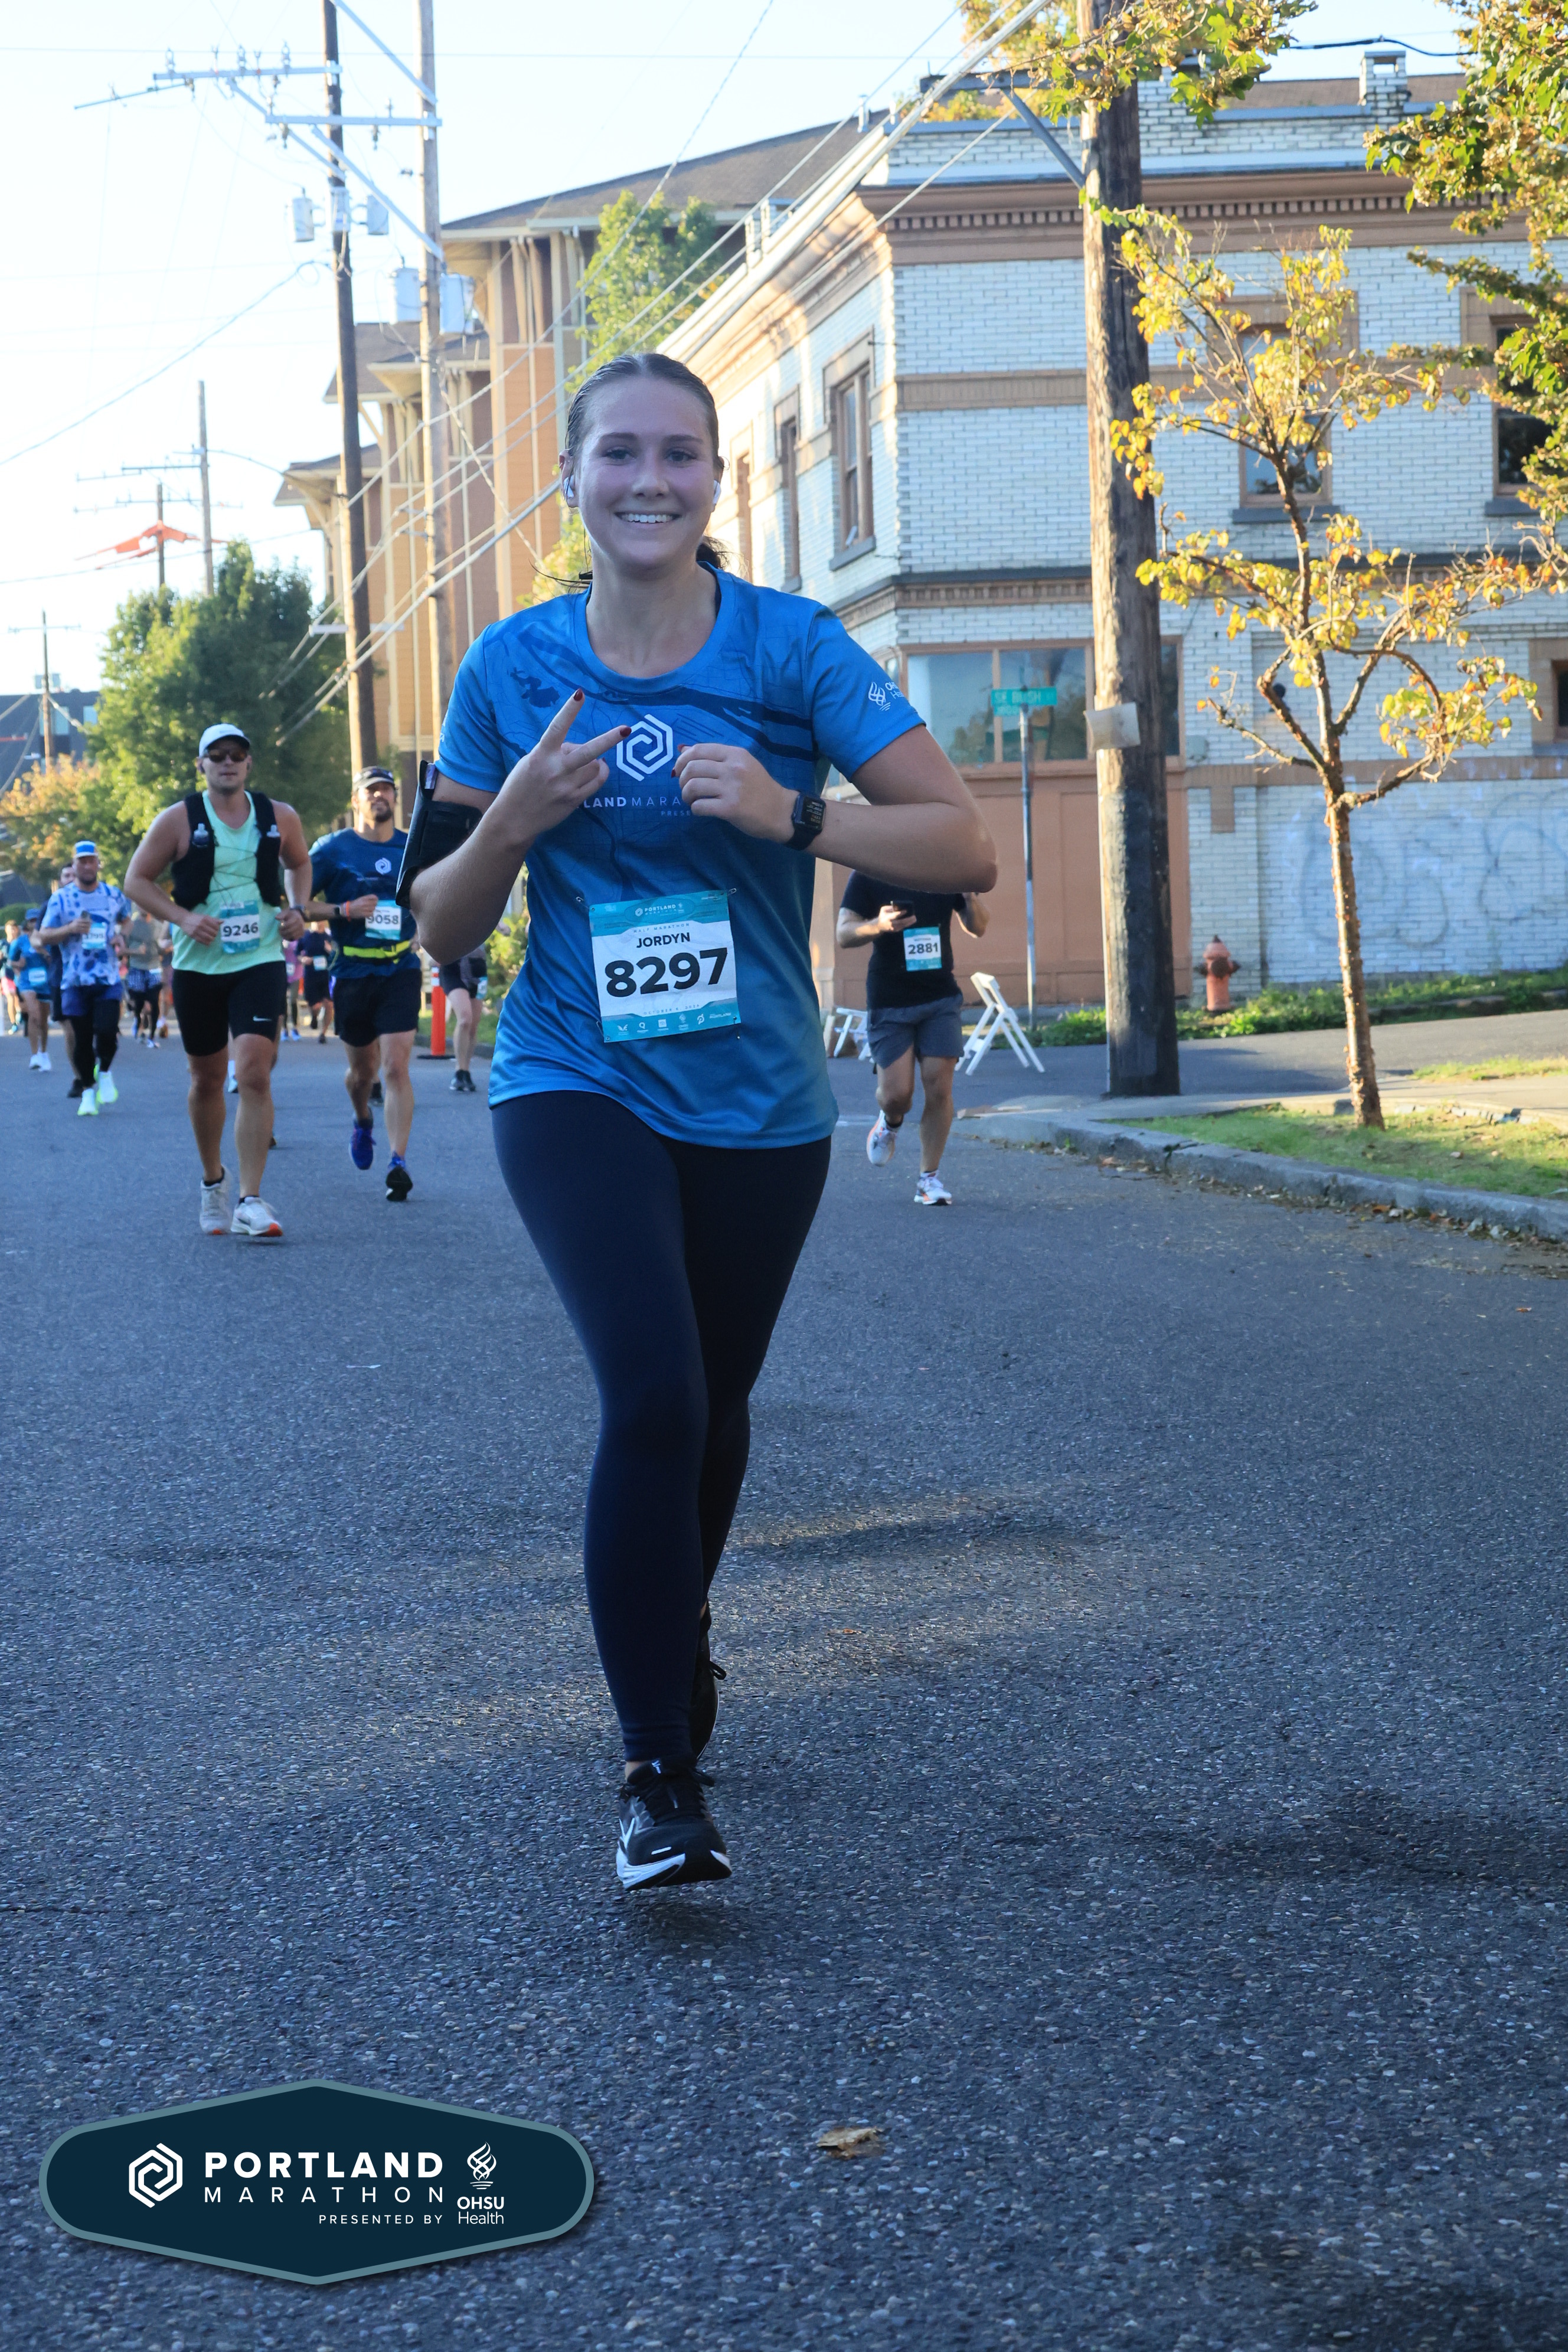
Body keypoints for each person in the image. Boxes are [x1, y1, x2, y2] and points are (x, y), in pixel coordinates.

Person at [409, 349, 995, 1890]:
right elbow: (440, 926)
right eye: (618, 453)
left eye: (678, 453)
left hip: (759, 1099)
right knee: (656, 1395)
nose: (648, 480)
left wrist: (799, 816)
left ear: (714, 479)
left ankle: (671, 1625)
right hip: (574, 1078)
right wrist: (512, 821)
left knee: (715, 1409)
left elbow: (963, 845)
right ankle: (655, 1774)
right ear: (573, 479)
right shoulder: (511, 669)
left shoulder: (793, 648)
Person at [125, 722, 311, 1239]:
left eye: (237, 754)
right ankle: (214, 1181)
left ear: (249, 763)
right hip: (198, 965)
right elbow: (136, 880)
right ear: (201, 765)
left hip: (260, 958)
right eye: (217, 755)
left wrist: (297, 908)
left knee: (253, 1072)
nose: (228, 762)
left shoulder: (279, 816)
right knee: (206, 1079)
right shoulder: (178, 820)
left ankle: (250, 1199)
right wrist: (182, 918)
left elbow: (299, 863)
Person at [305, 765, 422, 1202]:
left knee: (395, 1067)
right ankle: (362, 1120)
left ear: (395, 798)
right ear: (356, 801)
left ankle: (398, 1161)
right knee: (362, 1073)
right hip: (352, 969)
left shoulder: (412, 846)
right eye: (370, 791)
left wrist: (426, 930)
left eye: (386, 790)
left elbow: (434, 896)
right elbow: (299, 904)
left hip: (400, 967)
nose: (379, 796)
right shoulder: (333, 850)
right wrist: (344, 911)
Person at [837, 873, 989, 1206]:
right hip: (890, 1000)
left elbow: (978, 927)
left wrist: (969, 898)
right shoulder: (869, 871)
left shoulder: (944, 868)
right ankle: (889, 1122)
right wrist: (878, 925)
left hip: (940, 997)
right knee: (897, 1097)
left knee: (939, 1086)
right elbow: (843, 933)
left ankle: (928, 1179)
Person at [38, 842, 132, 1115]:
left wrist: (121, 936)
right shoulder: (61, 899)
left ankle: (105, 1072)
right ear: (74, 864)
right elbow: (44, 935)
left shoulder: (113, 895)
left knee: (107, 1031)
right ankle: (89, 1092)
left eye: (92, 860)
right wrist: (69, 928)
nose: (88, 866)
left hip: (107, 978)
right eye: (82, 861)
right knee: (81, 1039)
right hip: (74, 981)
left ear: (98, 863)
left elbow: (127, 920)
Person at [437, 946, 488, 1093]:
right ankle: (459, 1071)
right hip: (453, 967)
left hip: (478, 968)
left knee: (473, 1026)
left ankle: (466, 1070)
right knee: (465, 1018)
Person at [11, 912, 53, 1069]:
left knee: (43, 1021)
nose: (34, 923)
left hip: (45, 983)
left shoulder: (48, 939)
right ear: (27, 923)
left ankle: (43, 1052)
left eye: (37, 920)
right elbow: (11, 961)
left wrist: (44, 952)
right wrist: (18, 965)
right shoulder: (21, 941)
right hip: (27, 982)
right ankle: (34, 1055)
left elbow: (55, 961)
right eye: (31, 920)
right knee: (34, 1015)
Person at [122, 907, 165, 1043]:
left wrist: (167, 948)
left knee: (154, 1000)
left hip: (154, 967)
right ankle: (138, 1020)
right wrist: (136, 951)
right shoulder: (131, 926)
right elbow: (122, 950)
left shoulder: (159, 926)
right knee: (139, 1001)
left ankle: (152, 1034)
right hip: (137, 967)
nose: (144, 907)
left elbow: (162, 949)